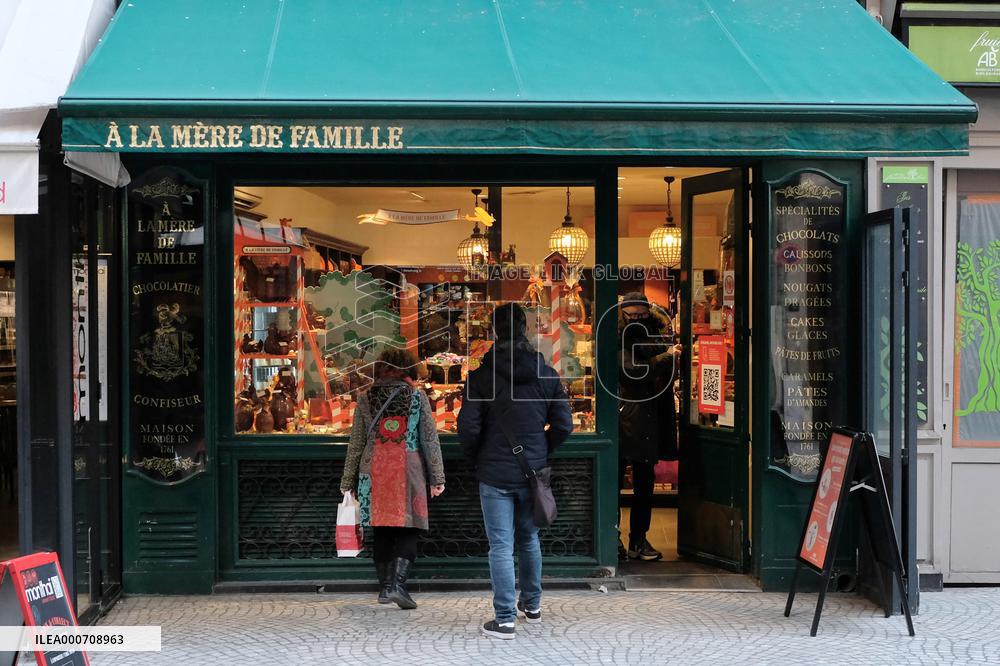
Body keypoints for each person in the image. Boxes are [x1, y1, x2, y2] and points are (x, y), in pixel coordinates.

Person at [458, 303, 572, 640]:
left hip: (494, 474)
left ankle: (505, 619)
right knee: (529, 538)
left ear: (494, 331)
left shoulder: (480, 378)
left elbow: (468, 428)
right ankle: (532, 606)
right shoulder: (547, 374)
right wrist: (540, 450)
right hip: (532, 472)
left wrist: (477, 457)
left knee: (501, 546)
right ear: (526, 329)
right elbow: (564, 426)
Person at [340, 347, 446, 610]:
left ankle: (385, 588)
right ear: (408, 369)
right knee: (410, 526)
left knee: (381, 529)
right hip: (407, 469)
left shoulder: (365, 397)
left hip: (372, 469)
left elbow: (356, 443)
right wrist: (437, 477)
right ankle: (399, 584)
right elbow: (429, 440)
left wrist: (347, 481)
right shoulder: (417, 397)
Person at [618, 292, 680, 561]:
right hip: (627, 417)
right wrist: (668, 357)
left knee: (645, 482)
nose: (638, 319)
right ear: (623, 315)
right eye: (632, 314)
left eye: (642, 314)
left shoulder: (655, 335)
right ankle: (614, 540)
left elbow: (662, 374)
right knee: (616, 481)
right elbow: (633, 371)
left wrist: (668, 359)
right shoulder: (619, 338)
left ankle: (638, 539)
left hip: (653, 414)